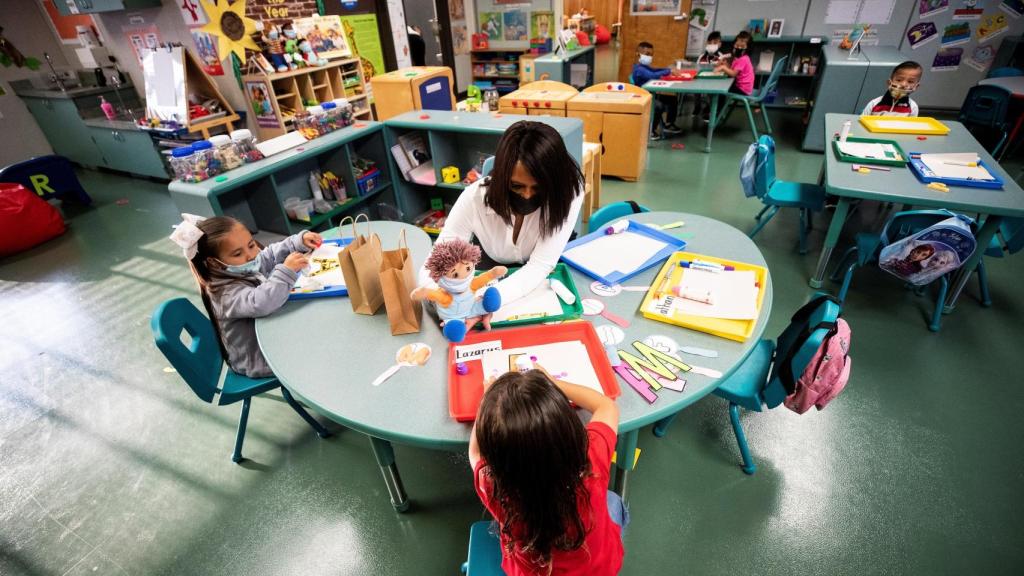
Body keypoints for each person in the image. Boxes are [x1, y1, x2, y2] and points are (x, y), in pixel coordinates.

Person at [469, 365, 627, 575]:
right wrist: (554, 383)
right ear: (569, 428)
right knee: (615, 502)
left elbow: (475, 453)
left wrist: (487, 402)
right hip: (599, 569)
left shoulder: (495, 485)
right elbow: (606, 406)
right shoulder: (593, 459)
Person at [418, 121, 583, 305]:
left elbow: (540, 265)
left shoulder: (568, 194)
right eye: (516, 186)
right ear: (502, 178)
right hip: (497, 263)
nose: (527, 195)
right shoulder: (474, 198)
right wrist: (441, 298)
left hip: (549, 260)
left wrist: (486, 301)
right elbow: (437, 261)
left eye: (538, 187)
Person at [170, 214, 320, 378]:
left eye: (251, 244)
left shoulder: (242, 265)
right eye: (237, 253)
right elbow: (261, 303)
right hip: (258, 359)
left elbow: (267, 256)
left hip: (272, 339)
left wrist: (296, 243)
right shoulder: (223, 293)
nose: (252, 255)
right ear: (214, 262)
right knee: (320, 347)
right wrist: (286, 272)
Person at [632, 41, 682, 140]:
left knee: (672, 100)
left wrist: (668, 69)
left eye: (651, 54)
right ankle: (650, 130)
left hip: (651, 94)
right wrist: (668, 71)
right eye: (647, 54)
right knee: (658, 106)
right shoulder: (638, 69)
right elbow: (652, 75)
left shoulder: (644, 67)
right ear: (638, 54)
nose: (649, 57)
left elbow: (654, 71)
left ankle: (669, 124)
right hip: (643, 98)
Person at [693, 31, 724, 118]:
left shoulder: (721, 57)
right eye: (710, 42)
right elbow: (697, 68)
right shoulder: (701, 56)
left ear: (720, 44)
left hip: (714, 81)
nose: (712, 45)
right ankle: (697, 107)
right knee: (695, 90)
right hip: (702, 80)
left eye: (715, 43)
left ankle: (709, 110)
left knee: (711, 93)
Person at [714, 30, 755, 96]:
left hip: (743, 90)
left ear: (748, 48)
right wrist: (725, 64)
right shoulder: (737, 58)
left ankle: (718, 106)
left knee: (721, 88)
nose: (739, 48)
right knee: (722, 85)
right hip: (741, 87)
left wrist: (723, 67)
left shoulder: (744, 59)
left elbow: (733, 74)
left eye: (742, 47)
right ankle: (718, 106)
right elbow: (732, 69)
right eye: (737, 45)